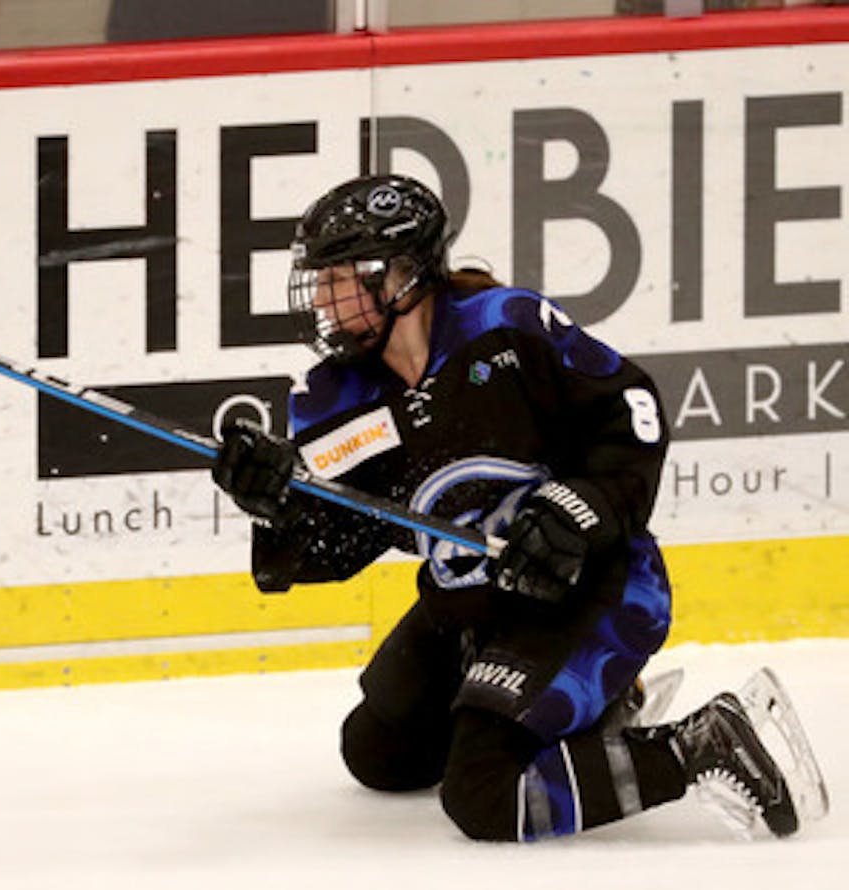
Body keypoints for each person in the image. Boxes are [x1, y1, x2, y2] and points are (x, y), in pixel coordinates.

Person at [212, 174, 817, 842]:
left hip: (582, 590)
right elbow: (336, 539)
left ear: (402, 277)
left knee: (482, 791)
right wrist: (276, 502)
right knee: (378, 751)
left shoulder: (505, 330)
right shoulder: (337, 397)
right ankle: (588, 710)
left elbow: (633, 413)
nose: (322, 300)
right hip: (471, 606)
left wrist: (579, 505)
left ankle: (701, 744)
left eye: (339, 278)